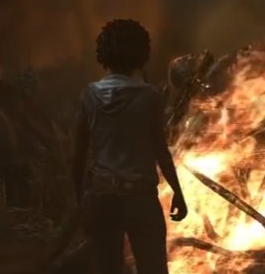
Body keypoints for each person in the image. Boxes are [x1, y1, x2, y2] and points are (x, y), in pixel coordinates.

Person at [71, 19, 187, 274]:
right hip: (141, 198)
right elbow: (160, 150)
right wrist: (177, 192)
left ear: (103, 55)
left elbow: (78, 154)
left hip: (103, 198)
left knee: (106, 269)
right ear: (141, 55)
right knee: (153, 268)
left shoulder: (89, 95)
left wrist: (80, 200)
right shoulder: (149, 97)